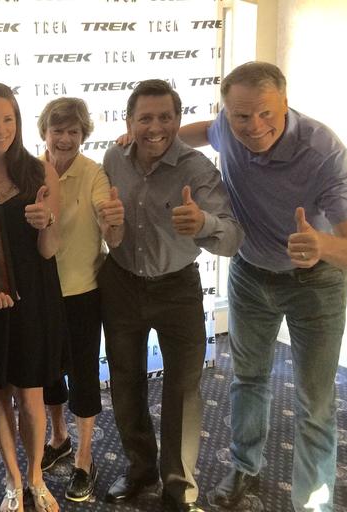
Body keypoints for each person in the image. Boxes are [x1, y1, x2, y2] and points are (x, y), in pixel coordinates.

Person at [179, 61, 347, 512]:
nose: (254, 127)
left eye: (266, 114)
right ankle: (244, 466)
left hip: (316, 284)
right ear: (227, 113)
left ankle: (313, 503)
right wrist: (147, 138)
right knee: (248, 378)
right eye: (241, 116)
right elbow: (201, 133)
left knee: (315, 402)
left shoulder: (324, 152)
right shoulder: (226, 126)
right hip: (250, 274)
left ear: (285, 103)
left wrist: (321, 245)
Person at [100, 79, 243, 512]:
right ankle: (140, 468)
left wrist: (203, 224)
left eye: (165, 117)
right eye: (145, 118)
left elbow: (232, 238)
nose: (156, 127)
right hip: (121, 283)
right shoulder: (113, 157)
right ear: (129, 121)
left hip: (177, 289)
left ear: (178, 120)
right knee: (125, 383)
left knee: (183, 390)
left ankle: (178, 488)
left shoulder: (197, 169)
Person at [0, 82, 63, 512]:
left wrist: (46, 221)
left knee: (32, 393)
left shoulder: (40, 172)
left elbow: (50, 250)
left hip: (34, 297)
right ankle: (12, 479)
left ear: (18, 123)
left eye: (8, 119)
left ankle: (36, 475)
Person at [35, 97, 124, 503]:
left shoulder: (93, 173)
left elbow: (106, 213)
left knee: (83, 376)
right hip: (39, 293)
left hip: (83, 292)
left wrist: (110, 219)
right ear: (45, 132)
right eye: (58, 130)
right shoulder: (31, 171)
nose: (65, 138)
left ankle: (85, 458)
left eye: (73, 131)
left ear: (83, 134)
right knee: (48, 373)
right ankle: (59, 438)